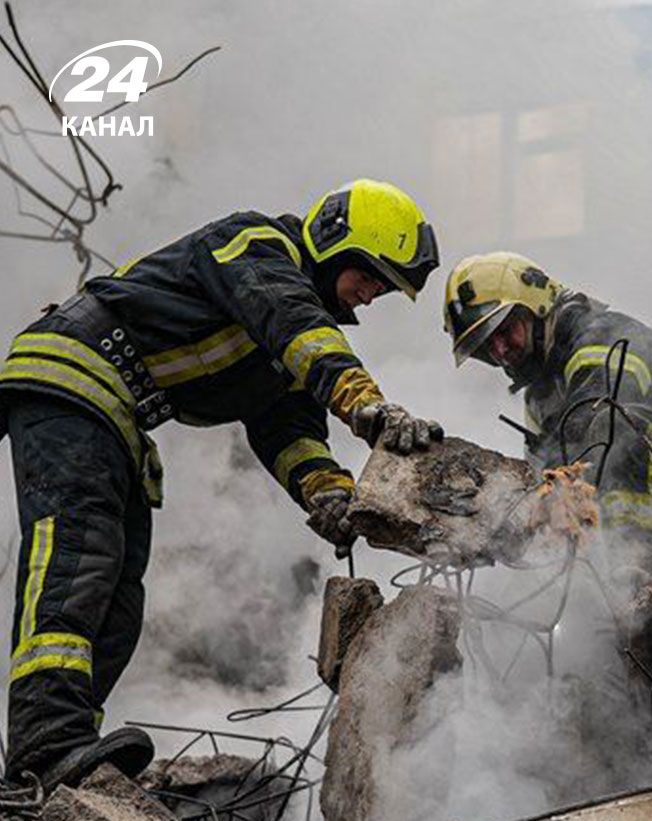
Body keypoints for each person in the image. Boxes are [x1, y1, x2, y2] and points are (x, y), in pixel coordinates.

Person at [0, 179, 444, 787]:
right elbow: (291, 319)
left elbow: (289, 430)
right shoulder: (255, 245)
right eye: (370, 276)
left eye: (382, 290)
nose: (369, 297)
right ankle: (44, 746)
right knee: (80, 555)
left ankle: (66, 755)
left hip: (115, 416)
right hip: (72, 377)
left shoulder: (279, 348)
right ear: (335, 241)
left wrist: (331, 493)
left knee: (119, 599)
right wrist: (365, 404)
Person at [442, 252, 652, 573]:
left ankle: (642, 574)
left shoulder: (600, 336)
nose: (500, 351)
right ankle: (632, 589)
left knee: (615, 425)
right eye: (487, 346)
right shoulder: (540, 400)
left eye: (504, 331)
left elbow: (600, 423)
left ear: (534, 307)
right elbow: (548, 487)